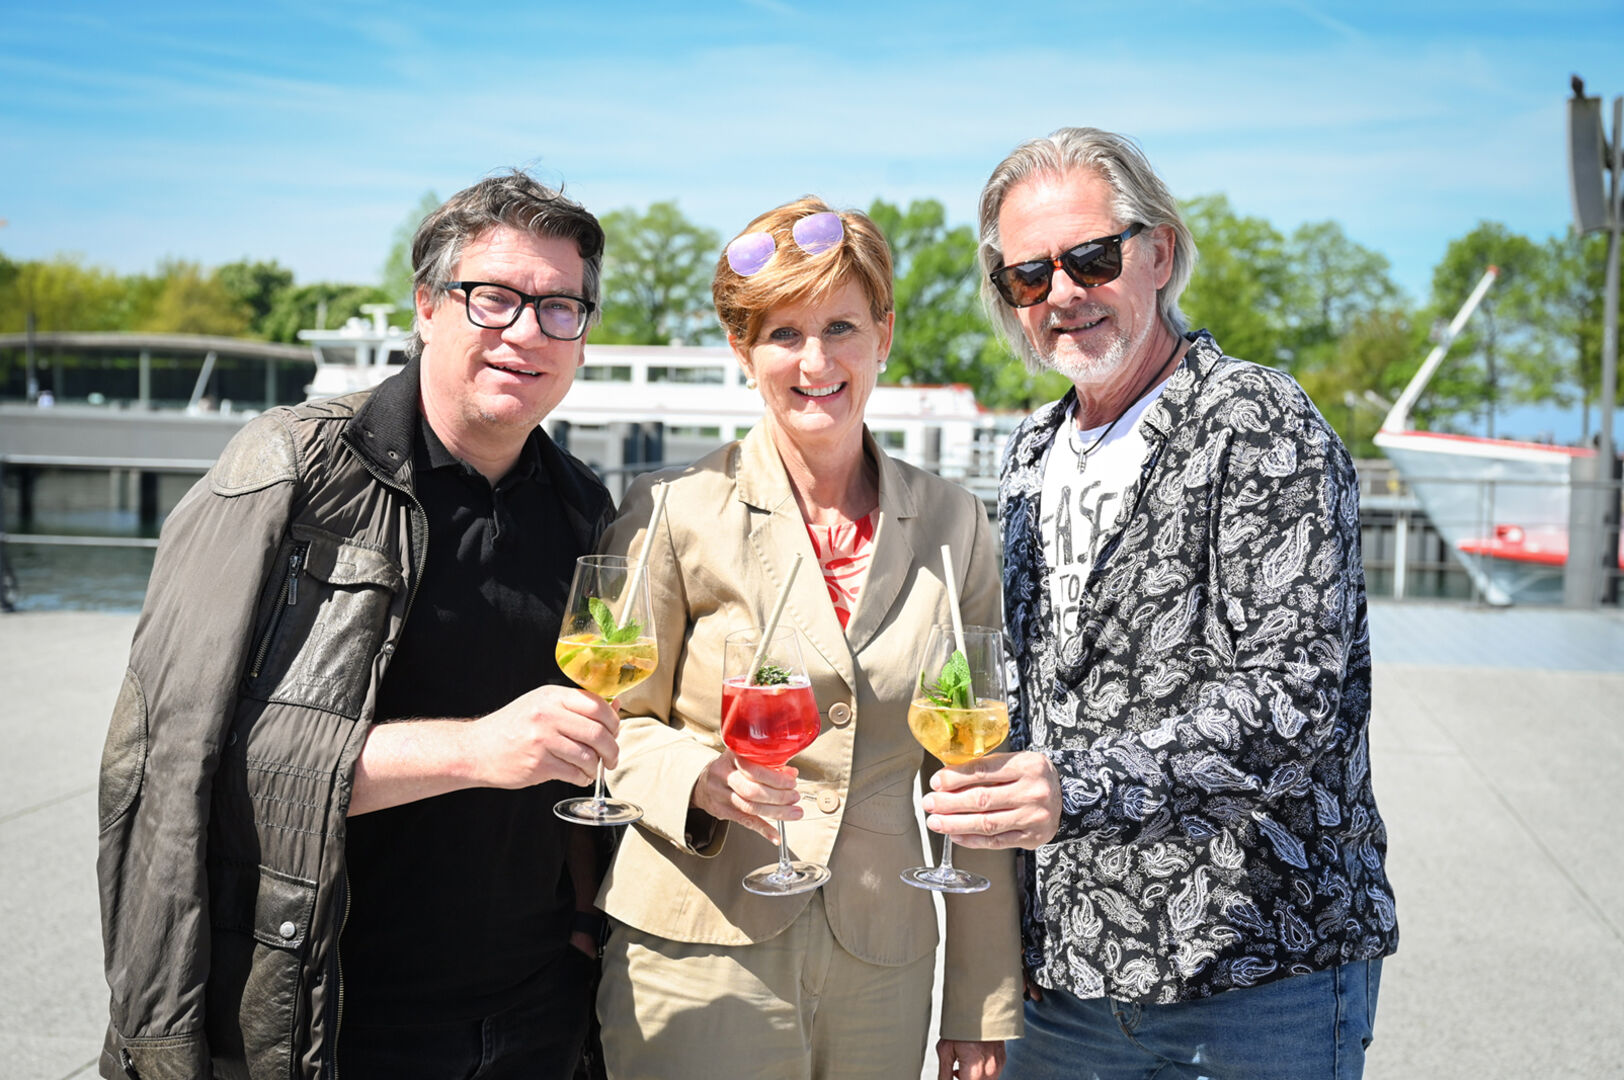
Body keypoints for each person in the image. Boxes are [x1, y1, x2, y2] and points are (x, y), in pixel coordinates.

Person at [96, 171, 621, 1080]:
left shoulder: (584, 508)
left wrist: (583, 926)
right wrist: (473, 751)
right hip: (332, 1013)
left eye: (559, 308)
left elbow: (583, 756)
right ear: (426, 306)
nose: (526, 333)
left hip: (538, 1013)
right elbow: (175, 763)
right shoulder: (289, 471)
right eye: (493, 299)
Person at [920, 128, 1399, 1079]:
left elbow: (1290, 702)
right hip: (1064, 979)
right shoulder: (1025, 455)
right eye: (1028, 276)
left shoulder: (1259, 424)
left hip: (1254, 976)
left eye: (1091, 258)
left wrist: (1079, 786)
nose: (1062, 295)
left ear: (1160, 254)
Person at [590, 197, 1022, 1080]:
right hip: (698, 947)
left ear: (884, 335)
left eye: (840, 327)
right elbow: (608, 728)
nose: (816, 361)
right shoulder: (673, 510)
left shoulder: (954, 521)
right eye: (783, 334)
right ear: (743, 352)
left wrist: (979, 1000)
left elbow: (973, 770)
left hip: (884, 960)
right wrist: (699, 779)